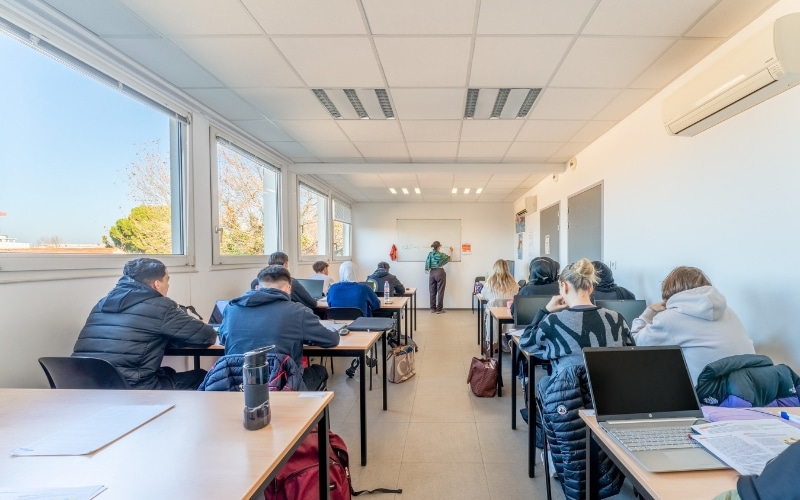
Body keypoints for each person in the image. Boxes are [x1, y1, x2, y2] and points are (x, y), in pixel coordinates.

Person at [73, 258, 217, 390]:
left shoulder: (103, 303)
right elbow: (206, 336)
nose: (168, 285)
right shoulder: (161, 306)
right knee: (204, 376)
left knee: (167, 372)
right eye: (167, 280)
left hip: (84, 385)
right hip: (132, 388)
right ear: (157, 284)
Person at [220, 265, 340, 391]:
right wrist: (333, 330)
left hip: (236, 384)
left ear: (259, 286)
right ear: (288, 288)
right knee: (319, 370)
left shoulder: (231, 308)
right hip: (283, 385)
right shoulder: (298, 311)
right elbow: (330, 340)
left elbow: (223, 340)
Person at [631, 266, 755, 385]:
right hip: (749, 390)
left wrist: (649, 312)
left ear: (669, 292)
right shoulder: (729, 312)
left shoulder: (669, 319)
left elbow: (634, 343)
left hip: (709, 397)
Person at [519, 258, 633, 372]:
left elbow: (525, 342)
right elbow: (631, 352)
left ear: (564, 286)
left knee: (544, 383)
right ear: (591, 287)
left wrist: (546, 310)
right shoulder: (617, 318)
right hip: (608, 387)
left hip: (568, 389)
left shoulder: (554, 321)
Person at [250, 251, 318, 309]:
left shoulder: (255, 282)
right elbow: (311, 303)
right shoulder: (291, 282)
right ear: (285, 264)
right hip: (287, 317)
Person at [480, 259, 519, 350]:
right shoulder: (514, 283)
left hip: (493, 315)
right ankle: (507, 340)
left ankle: (492, 343)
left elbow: (484, 295)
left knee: (488, 311)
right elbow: (516, 296)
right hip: (509, 314)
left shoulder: (489, 282)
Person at [425, 240, 452, 313]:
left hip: (432, 273)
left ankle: (432, 309)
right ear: (439, 246)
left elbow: (427, 263)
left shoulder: (430, 254)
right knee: (440, 291)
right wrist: (451, 252)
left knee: (432, 291)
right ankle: (439, 309)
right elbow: (450, 258)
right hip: (440, 272)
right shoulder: (441, 255)